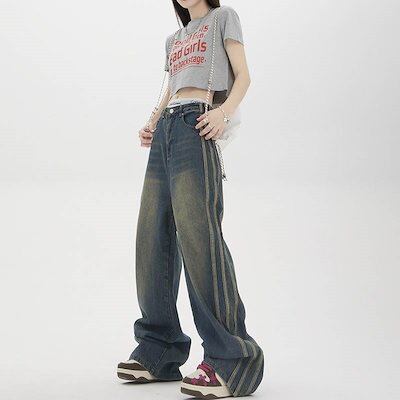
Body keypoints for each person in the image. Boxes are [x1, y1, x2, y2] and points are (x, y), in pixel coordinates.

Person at [117, 1, 264, 398]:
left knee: (199, 240)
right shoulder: (174, 38)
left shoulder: (223, 17)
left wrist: (224, 113)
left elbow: (244, 76)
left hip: (196, 126)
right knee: (152, 238)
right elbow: (172, 89)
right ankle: (159, 349)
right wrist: (152, 121)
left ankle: (233, 359)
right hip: (167, 128)